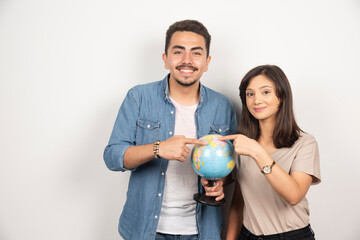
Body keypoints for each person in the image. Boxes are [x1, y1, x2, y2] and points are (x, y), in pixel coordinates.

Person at [103, 20, 238, 240]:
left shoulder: (223, 106)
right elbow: (112, 157)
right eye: (178, 52)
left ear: (207, 62)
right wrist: (159, 148)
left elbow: (233, 166)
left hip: (203, 231)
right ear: (165, 59)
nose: (187, 61)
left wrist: (220, 183)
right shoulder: (139, 97)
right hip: (146, 231)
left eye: (196, 53)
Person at [223, 65, 321, 240]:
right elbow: (239, 201)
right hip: (248, 236)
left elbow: (294, 195)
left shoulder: (305, 143)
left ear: (281, 97)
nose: (256, 100)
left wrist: (257, 152)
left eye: (265, 92)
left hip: (291, 236)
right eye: (250, 94)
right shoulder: (242, 145)